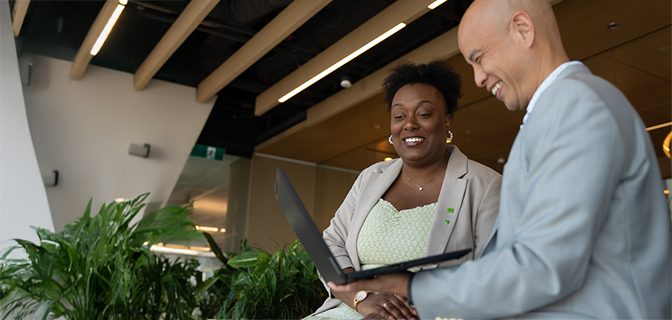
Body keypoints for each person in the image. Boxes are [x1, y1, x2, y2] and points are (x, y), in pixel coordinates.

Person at [328, 0, 672, 318]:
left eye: (479, 57)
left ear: (523, 29)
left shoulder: (577, 109)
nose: (478, 78)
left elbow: (543, 268)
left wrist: (410, 286)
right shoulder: (557, 112)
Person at [308, 61, 502, 320]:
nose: (409, 124)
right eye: (399, 116)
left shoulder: (485, 185)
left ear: (447, 120)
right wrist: (361, 299)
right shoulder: (371, 177)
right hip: (350, 309)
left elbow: (496, 278)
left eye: (423, 114)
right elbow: (330, 245)